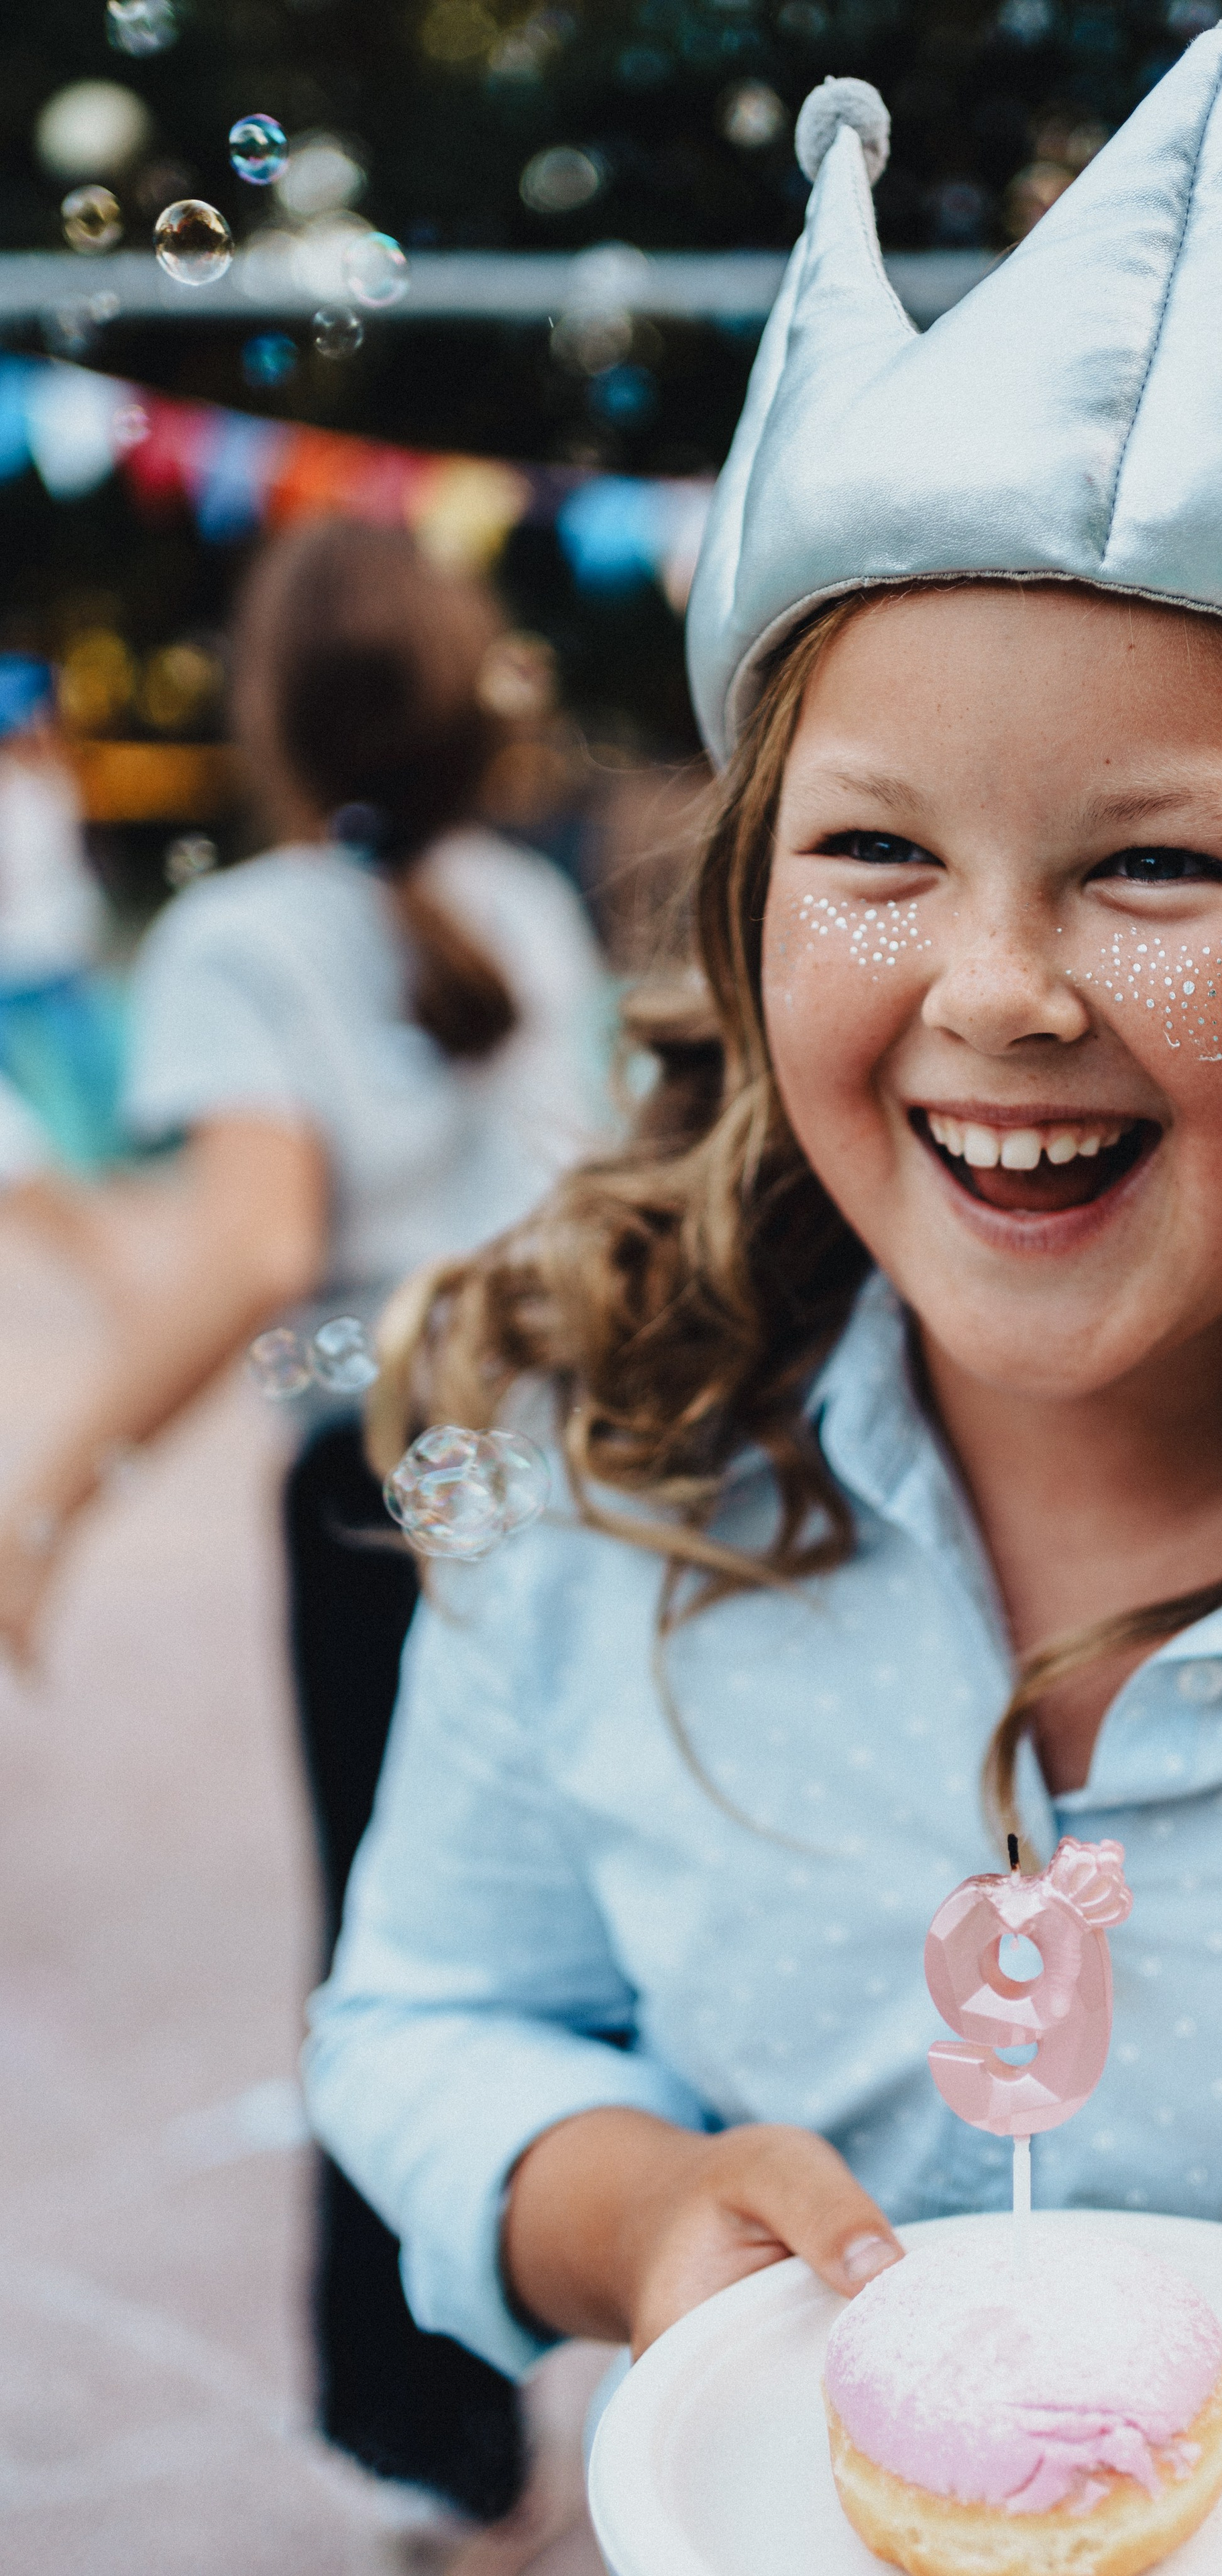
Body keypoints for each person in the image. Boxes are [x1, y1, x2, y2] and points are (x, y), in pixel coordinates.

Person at [308, 22, 1222, 2573]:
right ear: (745, 910)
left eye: (1158, 870)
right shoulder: (596, 1470)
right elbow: (422, 2018)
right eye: (872, 848)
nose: (992, 986)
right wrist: (621, 2214)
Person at [0, 515, 612, 2526]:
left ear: (269, 716)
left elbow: (264, 1249)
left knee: (395, 1956)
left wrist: (57, 1478)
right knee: (551, 1923)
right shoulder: (525, 909)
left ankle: (425, 2440)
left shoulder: (245, 931)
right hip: (559, 1472)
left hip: (379, 1483)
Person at [0, 654, 125, 1173]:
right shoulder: (17, 787)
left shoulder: (52, 779)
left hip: (58, 952)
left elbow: (70, 866)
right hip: (22, 959)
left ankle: (85, 1170)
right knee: (40, 1085)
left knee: (80, 1076)